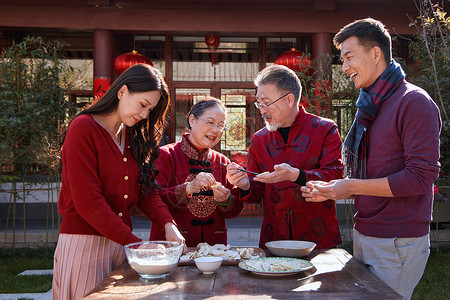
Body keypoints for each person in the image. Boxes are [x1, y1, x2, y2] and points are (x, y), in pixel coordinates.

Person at [301, 18, 441, 300]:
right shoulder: (371, 104)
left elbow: (420, 177)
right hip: (367, 233)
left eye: (349, 57)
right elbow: (372, 173)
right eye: (342, 59)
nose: (345, 67)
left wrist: (351, 187)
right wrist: (336, 189)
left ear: (376, 53)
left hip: (398, 240)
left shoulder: (413, 101)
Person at [52, 64, 185, 300]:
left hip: (120, 245)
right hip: (85, 245)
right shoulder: (83, 128)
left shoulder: (131, 135)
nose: (145, 115)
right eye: (143, 105)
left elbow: (145, 190)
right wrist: (137, 245)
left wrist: (168, 224)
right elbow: (89, 203)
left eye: (150, 109)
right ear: (122, 91)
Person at [226, 64, 344, 250]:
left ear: (289, 99)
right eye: (259, 103)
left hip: (318, 239)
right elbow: (256, 194)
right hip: (274, 238)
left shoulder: (325, 130)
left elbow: (335, 177)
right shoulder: (259, 139)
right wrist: (244, 184)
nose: (262, 110)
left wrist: (296, 175)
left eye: (266, 103)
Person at [150, 97, 244, 247]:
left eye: (221, 125)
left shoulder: (223, 162)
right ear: (192, 120)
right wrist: (187, 188)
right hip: (172, 246)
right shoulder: (166, 155)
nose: (215, 130)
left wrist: (225, 200)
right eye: (210, 122)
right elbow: (152, 200)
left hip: (214, 249)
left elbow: (233, 211)